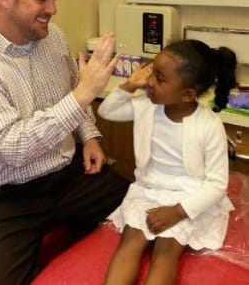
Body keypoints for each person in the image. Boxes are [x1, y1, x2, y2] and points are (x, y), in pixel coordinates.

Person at [0, 0, 129, 285]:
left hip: (66, 177)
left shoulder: (52, 37)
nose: (52, 9)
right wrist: (86, 92)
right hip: (4, 196)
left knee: (144, 206)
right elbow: (15, 148)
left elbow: (69, 95)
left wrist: (91, 137)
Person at [98, 39, 237, 285]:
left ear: (187, 94)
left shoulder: (209, 125)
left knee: (166, 251)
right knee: (130, 242)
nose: (149, 82)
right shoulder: (145, 106)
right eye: (152, 71)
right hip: (149, 189)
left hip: (188, 197)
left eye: (159, 79)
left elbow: (216, 185)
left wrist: (176, 212)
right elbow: (106, 112)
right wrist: (130, 85)